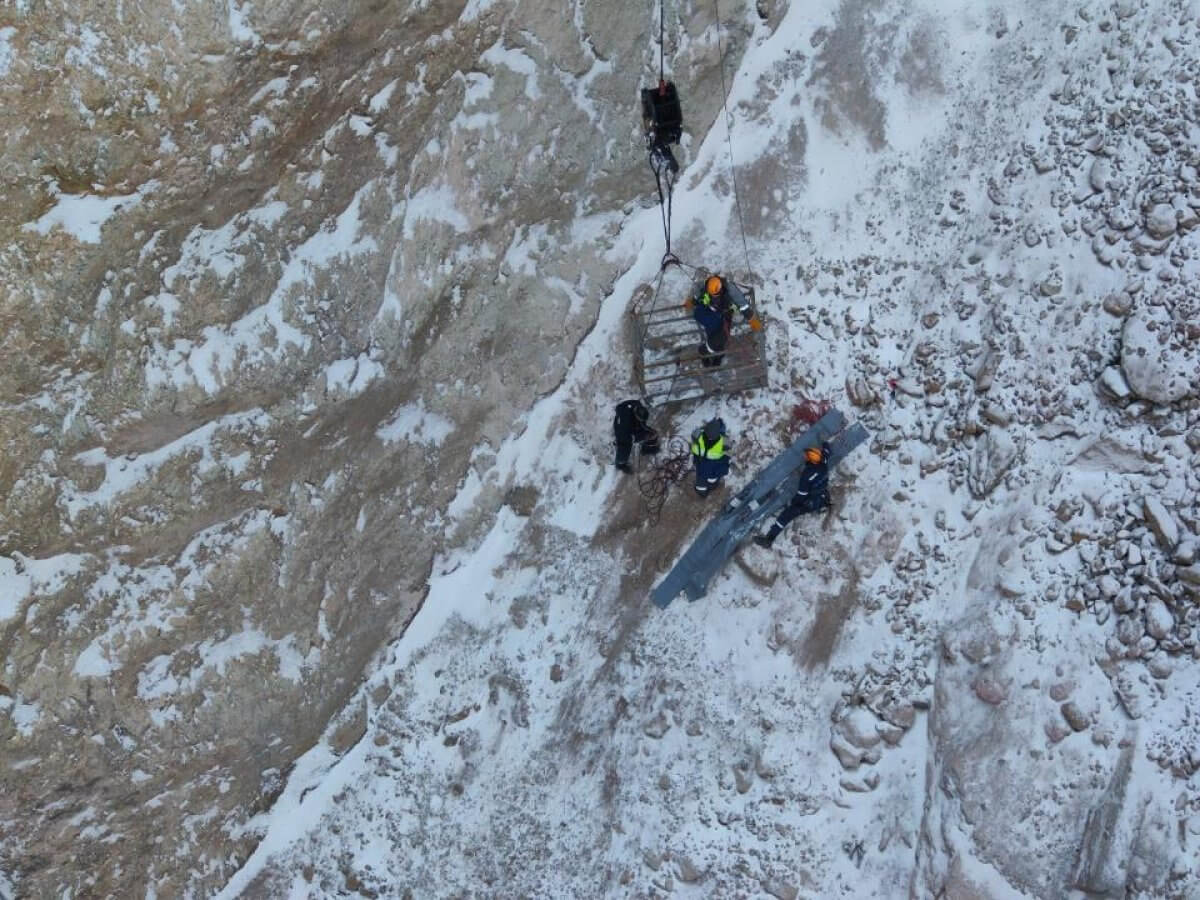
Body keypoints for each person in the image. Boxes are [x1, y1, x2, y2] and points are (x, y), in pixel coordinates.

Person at [754, 442, 831, 547]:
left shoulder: (807, 475)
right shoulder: (823, 464)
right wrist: (825, 445)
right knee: (792, 510)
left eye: (808, 456)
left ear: (811, 459)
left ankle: (769, 539)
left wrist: (794, 504)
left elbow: (802, 493)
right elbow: (826, 453)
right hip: (821, 497)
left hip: (809, 502)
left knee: (786, 515)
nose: (806, 458)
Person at [685, 274, 761, 368]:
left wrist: (752, 320)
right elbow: (697, 296)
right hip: (710, 313)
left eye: (717, 294)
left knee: (721, 336)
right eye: (713, 295)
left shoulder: (730, 290)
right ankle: (707, 353)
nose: (715, 296)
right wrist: (691, 302)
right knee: (717, 335)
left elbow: (743, 305)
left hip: (725, 313)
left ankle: (712, 354)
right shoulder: (705, 287)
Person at [613, 399, 660, 474]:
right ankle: (621, 465)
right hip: (623, 433)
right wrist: (644, 436)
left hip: (631, 423)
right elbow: (629, 439)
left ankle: (647, 448)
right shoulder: (625, 426)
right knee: (624, 449)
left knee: (651, 434)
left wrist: (649, 432)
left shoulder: (637, 406)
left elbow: (626, 404)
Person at [691, 417, 730, 497]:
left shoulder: (699, 436)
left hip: (701, 466)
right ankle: (709, 488)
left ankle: (703, 493)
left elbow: (695, 434)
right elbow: (726, 459)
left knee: (701, 485)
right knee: (710, 481)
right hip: (712, 469)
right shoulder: (724, 442)